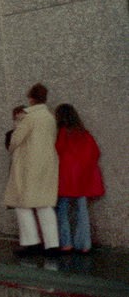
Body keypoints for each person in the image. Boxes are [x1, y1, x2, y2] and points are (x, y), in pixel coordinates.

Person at [4, 83, 60, 257]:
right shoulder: (50, 117)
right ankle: (52, 245)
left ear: (31, 98)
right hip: (47, 165)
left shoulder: (28, 117)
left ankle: (31, 242)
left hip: (28, 166)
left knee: (22, 205)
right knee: (44, 205)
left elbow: (15, 140)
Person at [54, 103, 105, 254]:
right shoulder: (85, 134)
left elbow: (57, 150)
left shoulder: (63, 133)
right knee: (82, 211)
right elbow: (95, 152)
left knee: (62, 211)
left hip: (66, 178)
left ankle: (67, 243)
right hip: (83, 179)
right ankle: (84, 244)